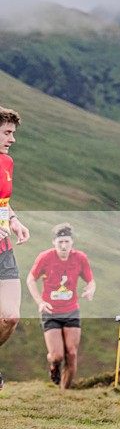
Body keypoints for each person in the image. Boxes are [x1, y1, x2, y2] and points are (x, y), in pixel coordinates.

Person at [26, 223, 95, 390]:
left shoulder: (80, 258)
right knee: (57, 355)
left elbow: (90, 280)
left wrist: (90, 290)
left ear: (72, 242)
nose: (63, 246)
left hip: (71, 310)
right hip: (50, 312)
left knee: (71, 353)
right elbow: (30, 279)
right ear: (54, 243)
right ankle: (54, 366)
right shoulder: (45, 258)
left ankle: (65, 392)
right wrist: (40, 302)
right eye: (60, 242)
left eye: (66, 242)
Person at [0, 106, 31, 390]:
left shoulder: (6, 163)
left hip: (3, 249)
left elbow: (3, 202)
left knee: (10, 316)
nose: (12, 139)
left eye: (13, 133)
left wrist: (15, 220)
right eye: (7, 133)